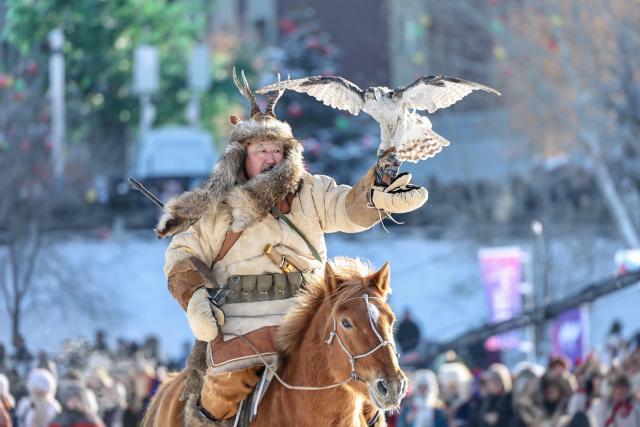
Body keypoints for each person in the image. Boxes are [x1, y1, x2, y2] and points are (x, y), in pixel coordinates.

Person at [155, 71, 428, 421]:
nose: (271, 158)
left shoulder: (310, 191)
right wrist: (195, 300)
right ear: (242, 156)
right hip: (245, 324)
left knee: (370, 397)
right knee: (221, 394)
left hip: (312, 322)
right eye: (261, 150)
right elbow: (182, 256)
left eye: (277, 150)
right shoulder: (216, 209)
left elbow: (346, 208)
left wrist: (375, 198)